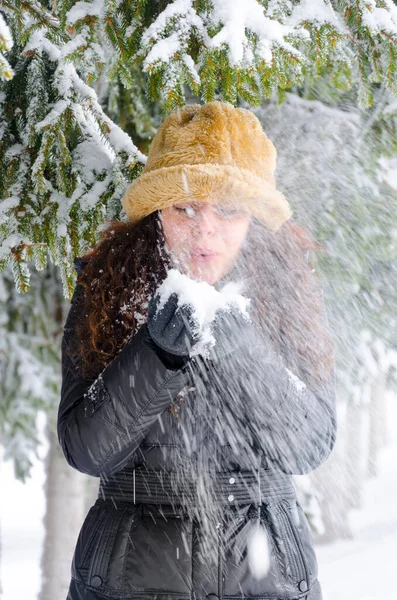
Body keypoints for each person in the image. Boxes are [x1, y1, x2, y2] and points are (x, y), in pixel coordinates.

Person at [58, 101, 337, 600]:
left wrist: (240, 354)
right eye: (184, 208)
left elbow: (308, 444)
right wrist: (157, 355)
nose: (204, 230)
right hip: (130, 576)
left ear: (253, 216)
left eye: (227, 210)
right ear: (158, 211)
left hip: (266, 575)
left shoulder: (289, 287)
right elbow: (86, 448)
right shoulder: (109, 286)